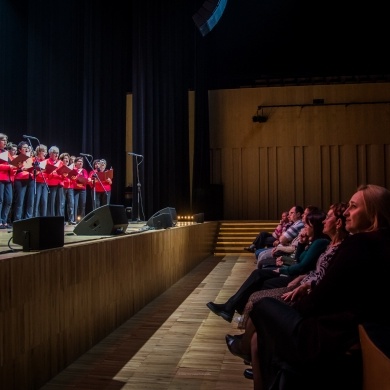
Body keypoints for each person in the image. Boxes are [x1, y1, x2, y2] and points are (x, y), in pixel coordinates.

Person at [250, 184, 390, 390]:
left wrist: (294, 311)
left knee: (262, 305)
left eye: (353, 207)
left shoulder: (359, 244)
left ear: (373, 212)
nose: (347, 213)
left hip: (330, 335)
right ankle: (282, 370)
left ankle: (280, 370)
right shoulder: (382, 243)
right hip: (356, 330)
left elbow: (322, 296)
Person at [224, 202, 349, 368]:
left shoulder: (331, 245)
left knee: (259, 298)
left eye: (328, 218)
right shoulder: (329, 244)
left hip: (306, 295)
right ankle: (247, 340)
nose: (325, 221)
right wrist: (301, 249)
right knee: (260, 285)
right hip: (301, 283)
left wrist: (298, 279)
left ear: (338, 223)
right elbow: (307, 265)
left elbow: (307, 268)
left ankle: (246, 344)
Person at [206, 209, 328, 323]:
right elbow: (298, 259)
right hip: (295, 272)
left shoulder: (319, 242)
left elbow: (301, 267)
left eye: (307, 225)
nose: (304, 227)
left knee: (260, 276)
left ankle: (233, 308)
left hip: (298, 277)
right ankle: (233, 308)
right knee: (260, 274)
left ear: (314, 227)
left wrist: (282, 268)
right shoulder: (313, 241)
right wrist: (301, 244)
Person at [12, 141, 35, 221]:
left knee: (30, 201)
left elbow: (33, 169)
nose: (26, 149)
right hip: (20, 179)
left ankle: (28, 219)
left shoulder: (31, 159)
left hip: (31, 179)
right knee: (19, 201)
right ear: (20, 150)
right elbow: (14, 168)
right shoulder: (16, 157)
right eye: (24, 147)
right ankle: (17, 220)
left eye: (27, 147)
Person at [0, 133, 16, 228]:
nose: (5, 142)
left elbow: (13, 165)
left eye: (6, 140)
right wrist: (8, 167)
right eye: (3, 140)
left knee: (9, 200)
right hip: (1, 178)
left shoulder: (6, 153)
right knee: (0, 200)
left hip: (9, 179)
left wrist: (17, 165)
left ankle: (4, 220)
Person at [70, 156, 88, 222]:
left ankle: (82, 220)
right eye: (79, 161)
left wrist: (80, 180)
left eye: (82, 162)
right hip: (75, 189)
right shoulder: (73, 170)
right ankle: (75, 220)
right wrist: (78, 180)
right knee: (75, 205)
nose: (81, 163)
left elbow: (85, 179)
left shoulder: (84, 171)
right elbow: (72, 180)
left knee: (82, 204)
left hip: (83, 190)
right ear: (75, 163)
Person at [33, 144, 49, 217]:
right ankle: (35, 218)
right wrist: (39, 172)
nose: (45, 153)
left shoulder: (46, 161)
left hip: (45, 182)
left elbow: (48, 172)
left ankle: (43, 218)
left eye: (45, 151)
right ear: (39, 152)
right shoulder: (34, 159)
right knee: (37, 201)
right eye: (44, 151)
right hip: (37, 182)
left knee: (44, 201)